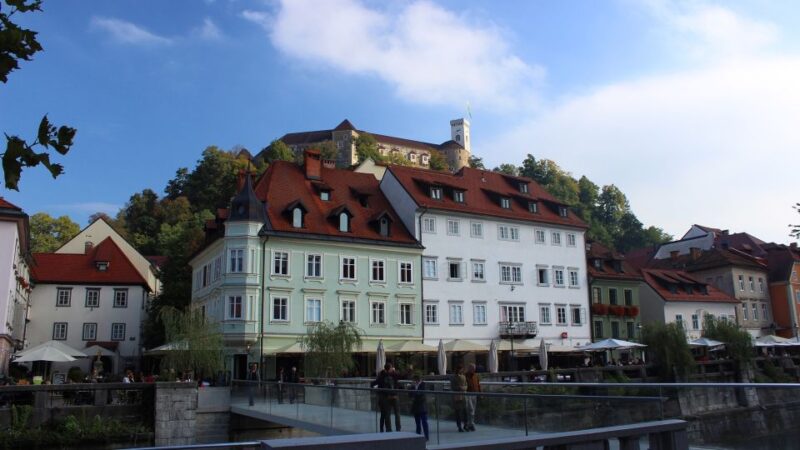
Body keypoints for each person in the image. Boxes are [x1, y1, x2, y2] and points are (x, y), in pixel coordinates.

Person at [372, 362, 401, 432]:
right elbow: (401, 376)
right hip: (395, 396)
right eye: (391, 367)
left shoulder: (382, 375)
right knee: (397, 413)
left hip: (386, 397)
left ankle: (388, 430)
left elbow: (374, 383)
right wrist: (394, 371)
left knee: (387, 414)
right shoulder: (394, 375)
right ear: (390, 368)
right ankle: (398, 429)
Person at [409, 374, 429, 440]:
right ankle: (418, 437)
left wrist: (414, 394)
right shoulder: (413, 386)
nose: (413, 381)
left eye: (414, 380)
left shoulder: (423, 384)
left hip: (422, 406)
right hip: (416, 406)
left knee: (424, 422)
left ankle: (426, 436)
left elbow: (421, 394)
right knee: (417, 423)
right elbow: (410, 395)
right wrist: (412, 387)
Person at [450, 365, 467, 432]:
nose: (462, 370)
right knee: (458, 412)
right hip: (457, 396)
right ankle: (459, 426)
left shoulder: (463, 376)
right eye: (461, 369)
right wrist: (459, 388)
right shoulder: (453, 377)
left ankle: (465, 425)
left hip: (463, 395)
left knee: (465, 411)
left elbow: (466, 384)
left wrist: (464, 388)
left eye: (462, 369)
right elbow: (453, 386)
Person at [464, 363, 481, 431]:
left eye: (474, 368)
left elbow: (478, 384)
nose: (474, 369)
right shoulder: (465, 376)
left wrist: (480, 393)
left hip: (475, 394)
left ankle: (470, 424)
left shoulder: (475, 376)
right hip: (468, 394)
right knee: (470, 410)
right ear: (469, 368)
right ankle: (470, 424)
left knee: (473, 410)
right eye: (472, 368)